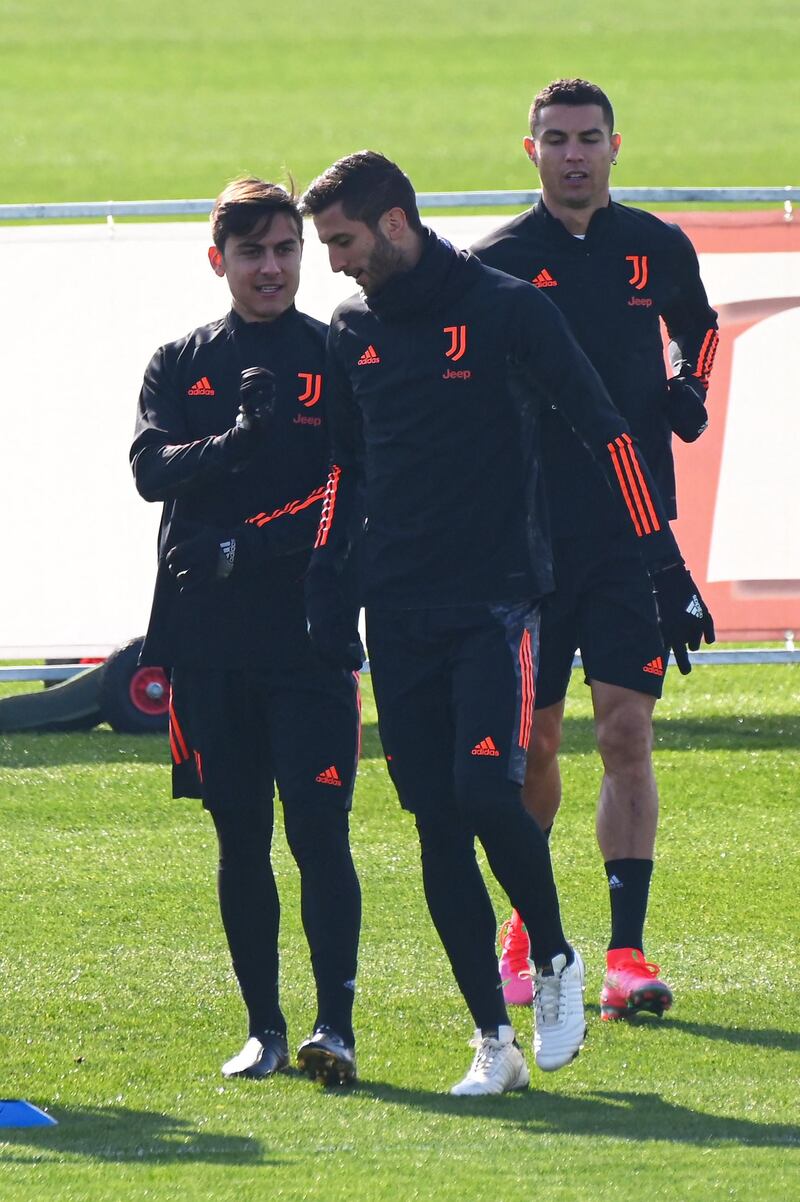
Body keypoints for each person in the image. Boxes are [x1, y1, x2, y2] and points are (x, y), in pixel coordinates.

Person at [299, 151, 712, 1095]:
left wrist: (663, 563)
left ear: (395, 223)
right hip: (396, 610)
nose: (334, 263)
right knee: (435, 827)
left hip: (497, 601)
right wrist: (329, 583)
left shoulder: (507, 308)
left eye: (343, 242)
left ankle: (560, 959)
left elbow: (608, 429)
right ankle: (494, 1041)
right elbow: (344, 472)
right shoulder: (351, 326)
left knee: (488, 791)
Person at [470, 78, 719, 1018]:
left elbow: (700, 330)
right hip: (531, 549)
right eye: (556, 139)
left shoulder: (655, 248)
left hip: (635, 537)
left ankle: (625, 953)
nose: (574, 154)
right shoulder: (495, 263)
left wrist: (687, 383)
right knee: (534, 742)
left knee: (627, 732)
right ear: (527, 149)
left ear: (618, 145)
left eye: (589, 138)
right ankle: (530, 928)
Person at [130, 177, 363, 1086]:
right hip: (208, 647)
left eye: (286, 249)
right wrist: (236, 439)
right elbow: (151, 471)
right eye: (253, 252)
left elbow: (353, 493)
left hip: (310, 641)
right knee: (240, 838)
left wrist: (248, 546)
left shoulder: (335, 354)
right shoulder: (179, 360)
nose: (271, 268)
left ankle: (334, 1026)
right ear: (217, 258)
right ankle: (263, 1027)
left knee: (319, 829)